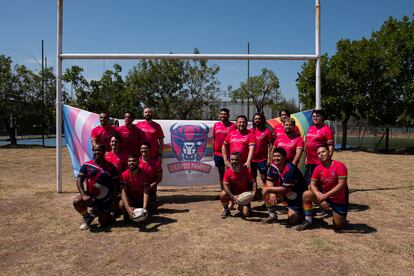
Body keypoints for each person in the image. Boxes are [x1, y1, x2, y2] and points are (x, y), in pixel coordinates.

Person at [296, 144, 349, 231]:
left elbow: (342, 184)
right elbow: (312, 184)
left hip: (339, 200)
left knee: (339, 226)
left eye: (323, 152)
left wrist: (325, 196)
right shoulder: (318, 168)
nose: (321, 154)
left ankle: (334, 212)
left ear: (329, 152)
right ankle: (308, 220)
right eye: (319, 153)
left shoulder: (340, 166)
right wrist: (319, 196)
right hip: (325, 198)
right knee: (306, 194)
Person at [73, 144, 118, 230]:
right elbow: (79, 180)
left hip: (105, 200)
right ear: (93, 151)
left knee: (104, 223)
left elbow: (115, 185)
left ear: (104, 152)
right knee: (77, 201)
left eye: (100, 150)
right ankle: (87, 217)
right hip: (91, 197)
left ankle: (99, 212)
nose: (97, 152)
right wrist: (84, 195)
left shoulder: (111, 167)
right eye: (95, 150)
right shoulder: (86, 165)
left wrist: (114, 200)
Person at [262, 148, 306, 226]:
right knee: (266, 191)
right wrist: (271, 192)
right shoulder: (272, 167)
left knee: (293, 221)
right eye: (274, 156)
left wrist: (268, 189)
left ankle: (302, 210)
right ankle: (272, 215)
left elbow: (285, 189)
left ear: (285, 157)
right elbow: (269, 181)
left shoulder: (290, 168)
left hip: (296, 194)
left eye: (278, 156)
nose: (276, 158)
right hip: (285, 193)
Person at [220, 152, 257, 218]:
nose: (234, 161)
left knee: (247, 214)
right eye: (232, 160)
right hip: (233, 194)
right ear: (229, 161)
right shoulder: (228, 172)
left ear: (240, 160)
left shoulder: (246, 170)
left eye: (236, 159)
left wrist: (254, 192)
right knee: (223, 194)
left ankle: (240, 206)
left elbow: (253, 182)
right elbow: (225, 185)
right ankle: (226, 210)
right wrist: (232, 196)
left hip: (244, 194)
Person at [304, 109, 334, 185]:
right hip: (310, 162)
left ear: (322, 117)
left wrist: (327, 160)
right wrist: (307, 158)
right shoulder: (311, 128)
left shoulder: (327, 130)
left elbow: (331, 147)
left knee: (319, 183)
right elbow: (308, 143)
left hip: (319, 162)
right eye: (313, 116)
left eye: (317, 116)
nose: (315, 118)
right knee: (308, 182)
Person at [119, 153, 150, 222]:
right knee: (121, 204)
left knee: (151, 209)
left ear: (138, 162)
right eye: (129, 161)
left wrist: (144, 208)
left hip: (141, 200)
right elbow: (123, 192)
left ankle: (143, 212)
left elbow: (146, 192)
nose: (131, 163)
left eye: (133, 161)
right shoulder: (124, 175)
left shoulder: (145, 174)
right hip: (131, 201)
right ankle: (128, 214)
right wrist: (128, 208)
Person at [212, 108, 236, 190]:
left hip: (229, 154)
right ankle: (223, 191)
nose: (223, 115)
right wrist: (213, 151)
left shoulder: (233, 126)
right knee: (221, 174)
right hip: (217, 154)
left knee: (229, 173)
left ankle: (231, 191)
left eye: (225, 114)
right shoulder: (216, 125)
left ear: (228, 115)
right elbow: (214, 139)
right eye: (221, 114)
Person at [250, 113, 274, 184]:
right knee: (253, 178)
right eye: (256, 119)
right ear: (253, 120)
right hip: (251, 159)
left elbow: (270, 146)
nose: (257, 120)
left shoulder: (267, 131)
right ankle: (255, 192)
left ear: (262, 120)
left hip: (262, 159)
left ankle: (266, 192)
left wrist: (270, 159)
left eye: (259, 119)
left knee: (264, 177)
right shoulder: (250, 131)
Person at [138, 142, 162, 209]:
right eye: (142, 148)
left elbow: (159, 178)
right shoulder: (136, 162)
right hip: (138, 191)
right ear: (140, 150)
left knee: (152, 207)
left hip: (151, 191)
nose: (144, 150)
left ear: (150, 149)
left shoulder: (156, 163)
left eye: (146, 148)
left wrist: (151, 186)